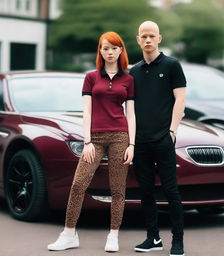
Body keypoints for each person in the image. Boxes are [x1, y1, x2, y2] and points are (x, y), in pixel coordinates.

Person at [47, 31, 136, 252]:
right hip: (94, 138)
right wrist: (87, 141)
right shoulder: (91, 77)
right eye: (105, 48)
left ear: (120, 50)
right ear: (100, 50)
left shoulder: (129, 79)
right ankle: (69, 234)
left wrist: (132, 144)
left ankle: (113, 235)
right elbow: (86, 112)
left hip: (120, 137)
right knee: (78, 185)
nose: (109, 52)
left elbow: (131, 114)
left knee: (117, 189)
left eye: (114, 48)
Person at [129, 21, 186, 256]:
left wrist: (172, 131)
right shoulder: (134, 71)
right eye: (144, 36)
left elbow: (180, 101)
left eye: (152, 35)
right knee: (146, 191)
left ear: (159, 38)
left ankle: (178, 241)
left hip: (163, 138)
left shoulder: (172, 65)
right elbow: (129, 108)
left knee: (171, 190)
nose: (148, 39)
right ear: (138, 39)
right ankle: (153, 238)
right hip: (140, 141)